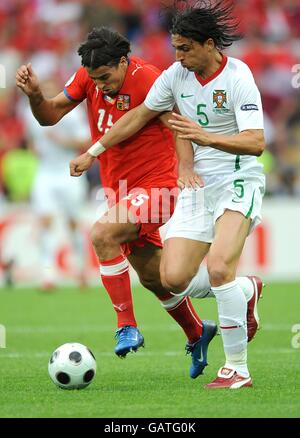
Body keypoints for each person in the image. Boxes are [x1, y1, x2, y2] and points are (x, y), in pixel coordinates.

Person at [68, 1, 265, 389]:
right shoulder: (176, 75)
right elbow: (138, 116)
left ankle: (237, 369)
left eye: (185, 49)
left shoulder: (239, 77)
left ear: (209, 45)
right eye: (175, 48)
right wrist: (93, 152)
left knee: (220, 268)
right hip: (196, 185)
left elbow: (256, 142)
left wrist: (205, 138)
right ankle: (246, 292)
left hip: (238, 179)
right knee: (170, 278)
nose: (178, 57)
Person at [16, 27, 218, 379]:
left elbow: (177, 124)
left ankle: (126, 326)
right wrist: (35, 95)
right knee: (157, 279)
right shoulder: (88, 76)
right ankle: (201, 328)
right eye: (95, 79)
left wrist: (187, 167)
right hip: (119, 189)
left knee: (102, 235)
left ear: (123, 62)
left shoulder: (148, 79)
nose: (101, 85)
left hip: (158, 184)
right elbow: (49, 115)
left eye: (106, 77)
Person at [22, 77, 90, 289]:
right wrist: (34, 147)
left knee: (72, 223)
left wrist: (61, 140)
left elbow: (85, 141)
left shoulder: (71, 114)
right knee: (45, 222)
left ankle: (80, 270)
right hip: (44, 174)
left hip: (68, 171)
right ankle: (48, 275)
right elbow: (31, 139)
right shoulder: (29, 114)